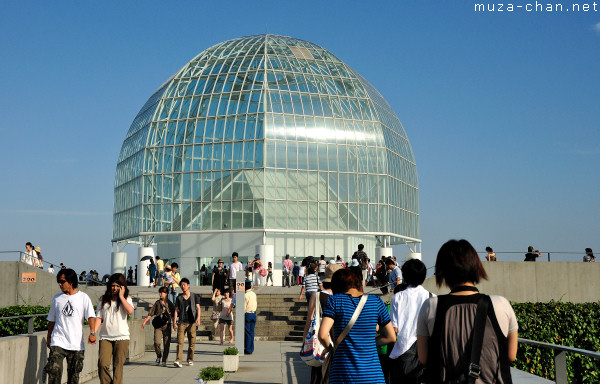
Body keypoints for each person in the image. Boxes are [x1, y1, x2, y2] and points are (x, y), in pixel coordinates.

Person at [417, 239, 518, 383]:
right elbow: (511, 355)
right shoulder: (501, 304)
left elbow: (423, 357)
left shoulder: (430, 306)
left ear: (442, 271)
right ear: (476, 266)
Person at [318, 268, 396, 384]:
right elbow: (391, 337)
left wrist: (330, 348)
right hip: (373, 376)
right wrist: (367, 342)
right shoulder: (376, 302)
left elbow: (323, 335)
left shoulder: (334, 301)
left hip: (343, 375)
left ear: (336, 286)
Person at [44, 268, 96, 384]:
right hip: (58, 341)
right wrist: (49, 337)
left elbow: (91, 317)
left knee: (73, 376)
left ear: (71, 282)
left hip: (76, 344)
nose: (60, 284)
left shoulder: (83, 297)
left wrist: (92, 333)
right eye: (59, 281)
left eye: (62, 282)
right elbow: (52, 320)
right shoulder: (57, 298)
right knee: (53, 371)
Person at [388, 259, 433, 383]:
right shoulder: (432, 297)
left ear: (405, 276)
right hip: (426, 351)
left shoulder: (397, 297)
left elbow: (394, 329)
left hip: (402, 351)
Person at [302, 263, 342, 384]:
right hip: (338, 338)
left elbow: (309, 320)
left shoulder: (317, 296)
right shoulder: (342, 297)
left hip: (321, 338)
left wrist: (305, 339)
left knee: (318, 374)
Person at [93, 273, 134, 384]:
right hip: (105, 337)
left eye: (117, 286)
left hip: (122, 337)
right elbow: (99, 317)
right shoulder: (103, 299)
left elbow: (130, 311)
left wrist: (121, 296)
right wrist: (93, 332)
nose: (114, 288)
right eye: (113, 285)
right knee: (102, 364)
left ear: (122, 286)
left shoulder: (127, 298)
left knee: (117, 367)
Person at [141, 286, 175, 366]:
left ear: (166, 293)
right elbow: (151, 313)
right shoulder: (157, 303)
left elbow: (173, 315)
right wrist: (145, 321)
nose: (160, 294)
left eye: (162, 292)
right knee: (157, 342)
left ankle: (164, 360)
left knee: (167, 343)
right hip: (158, 325)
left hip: (167, 325)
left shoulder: (170, 304)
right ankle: (159, 356)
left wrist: (174, 323)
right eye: (160, 292)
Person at [173, 278, 201, 367]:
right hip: (181, 322)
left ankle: (190, 359)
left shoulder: (194, 296)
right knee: (180, 342)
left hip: (192, 322)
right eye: (181, 285)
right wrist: (174, 322)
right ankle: (178, 360)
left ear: (188, 285)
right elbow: (176, 310)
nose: (182, 286)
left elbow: (198, 308)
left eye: (184, 285)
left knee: (192, 342)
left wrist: (198, 318)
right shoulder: (179, 298)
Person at [244, 279, 257, 354]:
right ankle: (251, 348)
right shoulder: (254, 294)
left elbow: (244, 307)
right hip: (253, 314)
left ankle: (248, 349)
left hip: (247, 314)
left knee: (247, 333)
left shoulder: (245, 295)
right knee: (252, 332)